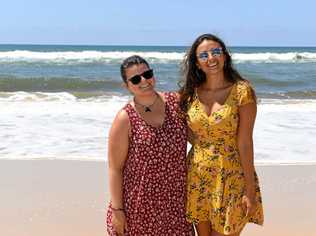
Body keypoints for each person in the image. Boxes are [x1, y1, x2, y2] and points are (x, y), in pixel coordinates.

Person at [179, 34, 264, 236]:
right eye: (204, 55)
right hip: (197, 175)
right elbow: (188, 133)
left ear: (225, 56)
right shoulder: (190, 94)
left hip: (231, 175)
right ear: (197, 63)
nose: (211, 58)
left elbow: (245, 142)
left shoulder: (242, 91)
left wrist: (250, 190)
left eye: (216, 52)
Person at [106, 55, 193, 235]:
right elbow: (115, 168)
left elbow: (198, 139)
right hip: (138, 206)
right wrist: (117, 211)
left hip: (175, 204)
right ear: (126, 85)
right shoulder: (125, 118)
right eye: (136, 79)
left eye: (147, 74)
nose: (144, 80)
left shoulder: (176, 103)